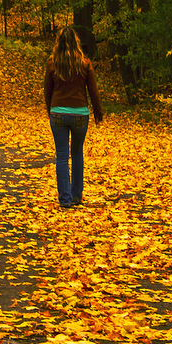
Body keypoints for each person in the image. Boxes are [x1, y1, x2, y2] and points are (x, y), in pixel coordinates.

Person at [44, 26, 104, 208]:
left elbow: (47, 91)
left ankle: (65, 199)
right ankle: (77, 195)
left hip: (58, 114)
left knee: (62, 155)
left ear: (58, 43)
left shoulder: (53, 64)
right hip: (80, 114)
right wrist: (98, 113)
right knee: (77, 153)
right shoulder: (85, 63)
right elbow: (93, 91)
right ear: (76, 43)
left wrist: (51, 111)